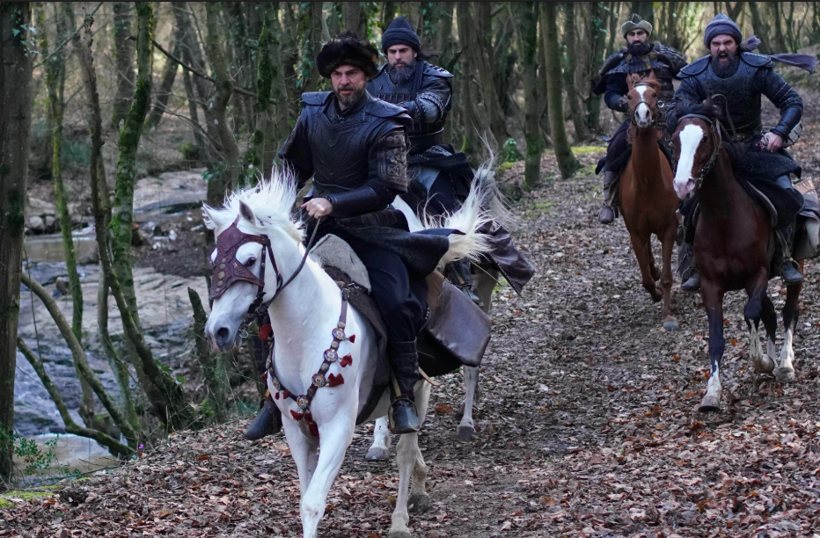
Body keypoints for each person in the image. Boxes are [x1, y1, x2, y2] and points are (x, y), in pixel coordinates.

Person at [367, 16, 534, 303]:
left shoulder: (435, 77)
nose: (397, 57)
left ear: (414, 51)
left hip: (427, 159)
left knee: (446, 208)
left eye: (403, 51)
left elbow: (429, 108)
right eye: (392, 52)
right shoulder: (372, 82)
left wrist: (381, 110)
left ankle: (462, 277)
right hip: (382, 161)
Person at [667, 14, 814, 291]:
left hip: (754, 147)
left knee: (786, 193)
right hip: (712, 154)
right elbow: (678, 108)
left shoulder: (756, 69)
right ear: (709, 46)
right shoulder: (696, 74)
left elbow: (792, 101)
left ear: (737, 44)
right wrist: (692, 121)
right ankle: (694, 266)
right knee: (687, 205)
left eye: (728, 42)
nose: (722, 48)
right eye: (716, 43)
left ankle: (784, 259)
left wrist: (779, 132)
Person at [593, 14, 687, 224]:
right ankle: (609, 200)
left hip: (668, 116)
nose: (637, 38)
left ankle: (690, 201)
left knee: (688, 147)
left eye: (640, 33)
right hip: (636, 118)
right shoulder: (619, 64)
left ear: (647, 35)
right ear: (627, 38)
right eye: (632, 34)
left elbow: (688, 77)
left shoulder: (665, 56)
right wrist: (623, 103)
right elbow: (610, 93)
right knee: (615, 147)